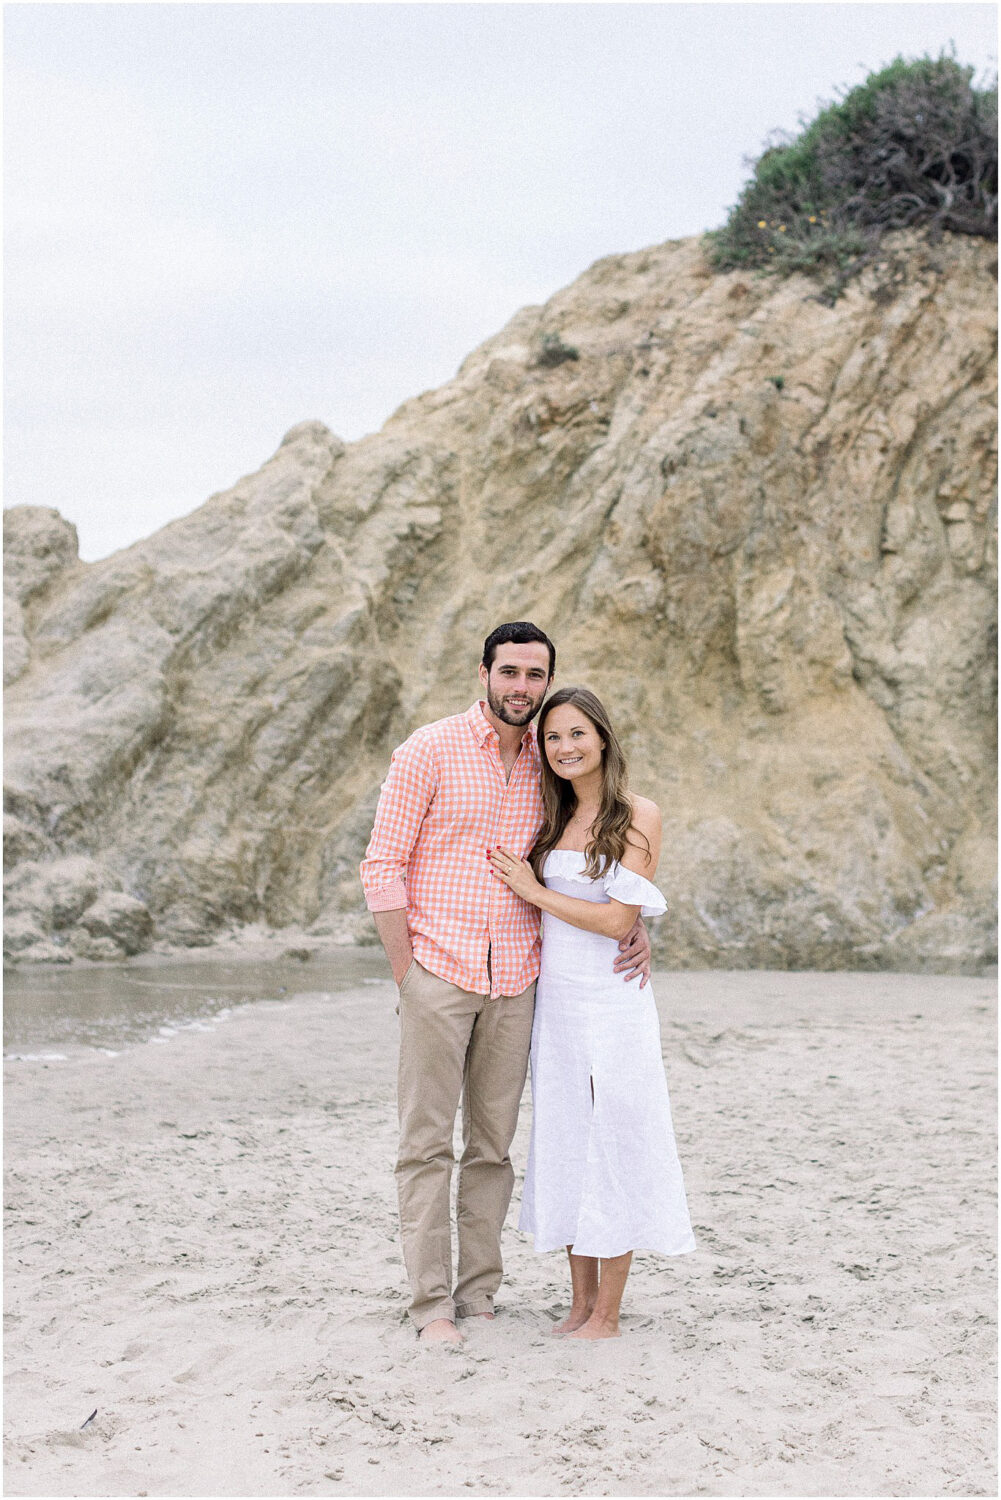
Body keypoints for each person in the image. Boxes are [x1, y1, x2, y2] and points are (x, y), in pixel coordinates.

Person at [359, 624, 652, 1346]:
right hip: (439, 970)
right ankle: (431, 1306)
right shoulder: (427, 750)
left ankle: (479, 1292)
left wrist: (634, 921)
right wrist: (408, 974)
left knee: (492, 1148)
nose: (521, 687)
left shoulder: (547, 767)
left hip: (519, 978)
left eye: (534, 675)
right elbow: (381, 866)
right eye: (510, 672)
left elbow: (589, 856)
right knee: (425, 1145)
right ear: (483, 672)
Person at [489, 685, 695, 1339]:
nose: (564, 747)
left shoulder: (638, 813)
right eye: (551, 738)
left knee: (616, 1142)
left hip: (613, 1002)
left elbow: (614, 920)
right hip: (557, 1003)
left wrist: (532, 889)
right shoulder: (548, 819)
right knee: (567, 1143)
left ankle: (606, 1314)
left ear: (602, 738)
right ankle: (577, 1305)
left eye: (576, 733)